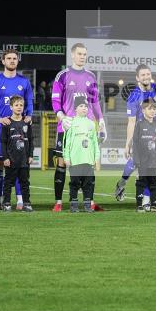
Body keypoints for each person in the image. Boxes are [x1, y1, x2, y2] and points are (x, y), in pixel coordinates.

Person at [52, 43, 106, 212]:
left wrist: (101, 121)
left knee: (88, 164)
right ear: (73, 55)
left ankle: (89, 202)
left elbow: (95, 102)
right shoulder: (62, 76)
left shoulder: (91, 77)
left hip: (87, 128)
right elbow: (55, 101)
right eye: (80, 54)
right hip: (67, 127)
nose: (83, 56)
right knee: (62, 162)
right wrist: (61, 117)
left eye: (84, 54)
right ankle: (59, 202)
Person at [114, 64, 156, 203]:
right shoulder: (133, 97)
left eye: (148, 74)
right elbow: (131, 122)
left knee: (151, 168)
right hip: (140, 136)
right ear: (137, 78)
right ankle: (122, 183)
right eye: (143, 75)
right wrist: (128, 144)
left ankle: (146, 200)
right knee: (134, 164)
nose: (146, 77)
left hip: (155, 136)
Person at [0, 50, 34, 211]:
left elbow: (29, 102)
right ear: (3, 61)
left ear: (17, 61)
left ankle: (20, 201)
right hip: (1, 128)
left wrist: (29, 115)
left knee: (19, 164)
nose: (12, 61)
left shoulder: (24, 82)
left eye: (14, 58)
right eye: (9, 58)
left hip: (19, 129)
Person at [62, 96, 101, 213]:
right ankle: (73, 204)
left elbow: (95, 142)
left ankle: (87, 205)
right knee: (74, 183)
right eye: (81, 106)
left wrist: (96, 158)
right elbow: (66, 142)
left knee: (88, 184)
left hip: (88, 160)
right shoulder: (71, 123)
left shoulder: (91, 124)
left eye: (86, 106)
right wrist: (66, 157)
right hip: (75, 160)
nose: (84, 108)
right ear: (75, 108)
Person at [1, 95, 35, 212]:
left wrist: (30, 155)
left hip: (24, 159)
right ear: (11, 107)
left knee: (25, 182)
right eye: (16, 105)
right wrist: (5, 157)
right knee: (8, 183)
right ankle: (6, 203)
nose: (19, 107)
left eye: (21, 105)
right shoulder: (7, 123)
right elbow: (3, 142)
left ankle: (27, 203)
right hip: (11, 160)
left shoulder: (26, 122)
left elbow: (31, 140)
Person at [131, 99, 156, 212]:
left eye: (154, 109)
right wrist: (136, 159)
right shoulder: (139, 124)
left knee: (153, 182)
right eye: (150, 109)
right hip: (143, 161)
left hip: (154, 160)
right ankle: (139, 205)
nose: (153, 111)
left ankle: (153, 204)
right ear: (143, 110)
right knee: (141, 182)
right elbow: (135, 143)